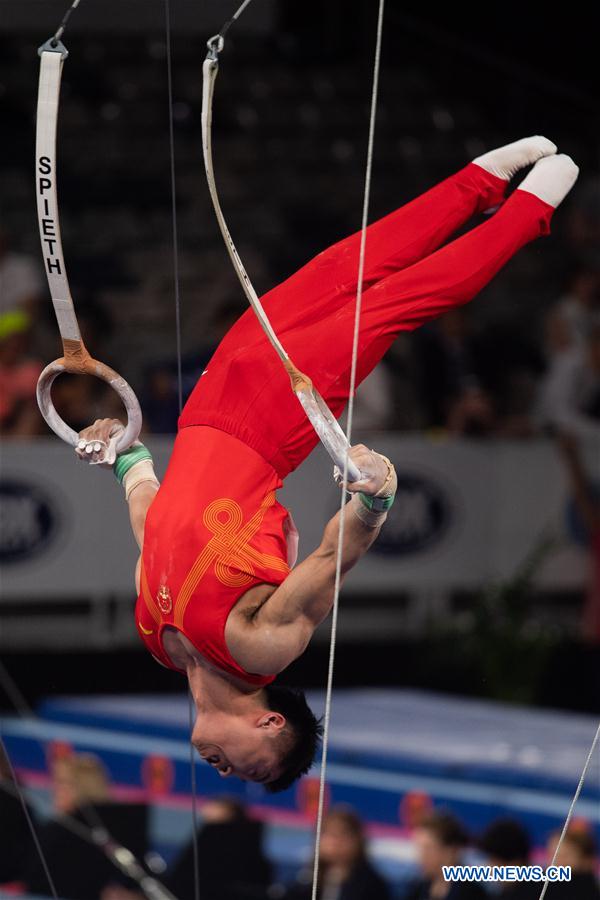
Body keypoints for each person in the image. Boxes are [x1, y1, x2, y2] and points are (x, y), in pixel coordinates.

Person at [76, 138, 578, 791]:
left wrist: (125, 458)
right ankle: (529, 211)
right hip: (274, 416)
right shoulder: (260, 650)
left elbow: (156, 528)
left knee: (348, 262)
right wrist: (374, 501)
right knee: (401, 297)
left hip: (210, 401)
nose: (232, 775)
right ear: (271, 728)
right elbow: (329, 561)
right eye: (257, 773)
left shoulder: (157, 642)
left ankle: (482, 180)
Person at [285, 805, 391, 900]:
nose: (334, 841)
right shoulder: (305, 881)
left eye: (342, 833)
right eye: (328, 833)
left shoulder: (372, 886)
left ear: (358, 841)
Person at [405, 810, 486, 899]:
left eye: (429, 849)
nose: (422, 856)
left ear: (450, 851)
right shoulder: (417, 888)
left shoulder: (472, 893)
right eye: (421, 849)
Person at [478, 817, 540, 898]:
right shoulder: (504, 891)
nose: (490, 868)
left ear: (515, 863)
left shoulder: (539, 892)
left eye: (494, 862)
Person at [543, 827, 600, 899]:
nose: (555, 861)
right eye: (552, 854)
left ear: (587, 861)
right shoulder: (541, 886)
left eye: (565, 856)